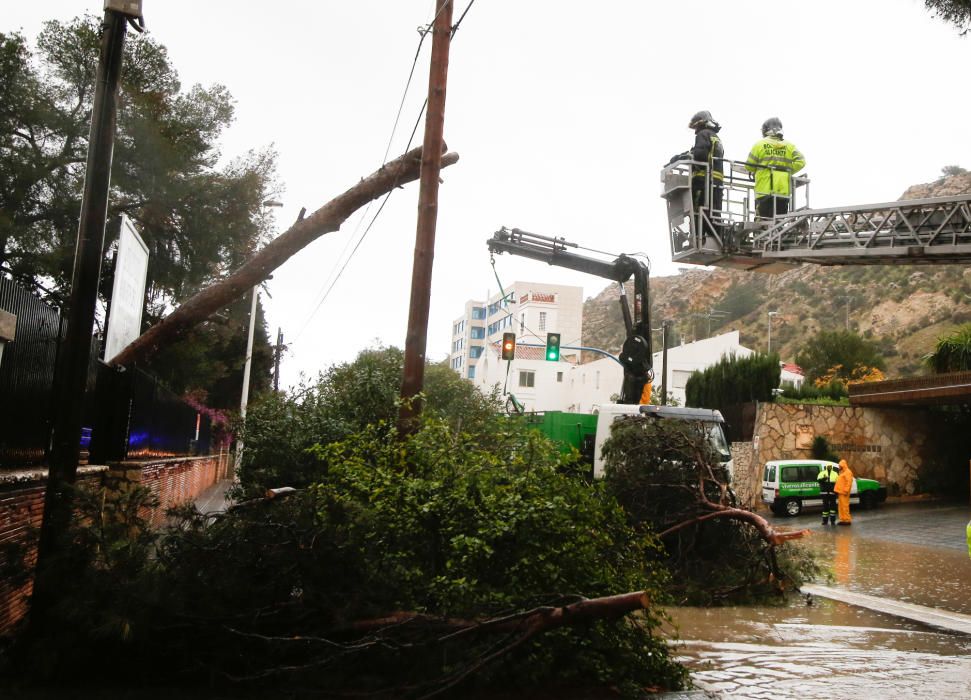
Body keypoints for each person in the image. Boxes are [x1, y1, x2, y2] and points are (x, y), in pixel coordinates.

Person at [745, 117, 806, 219]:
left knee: (763, 225)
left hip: (764, 192)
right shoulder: (789, 146)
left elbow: (749, 166)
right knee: (779, 225)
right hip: (783, 192)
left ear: (765, 130)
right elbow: (801, 161)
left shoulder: (759, 144)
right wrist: (788, 170)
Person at [683, 110, 725, 242]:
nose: (695, 130)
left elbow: (700, 155)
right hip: (716, 182)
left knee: (698, 210)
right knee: (713, 213)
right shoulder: (715, 137)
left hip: (703, 181)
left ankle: (698, 237)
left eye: (696, 126)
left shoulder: (702, 134)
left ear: (700, 123)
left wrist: (686, 156)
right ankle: (719, 237)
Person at [817, 461, 839, 526]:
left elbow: (837, 483)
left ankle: (833, 521)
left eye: (830, 466)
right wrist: (824, 478)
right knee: (825, 508)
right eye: (828, 466)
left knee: (833, 508)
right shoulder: (822, 473)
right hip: (824, 493)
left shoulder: (835, 473)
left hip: (832, 493)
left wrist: (836, 492)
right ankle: (825, 521)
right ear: (826, 467)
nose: (829, 467)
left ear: (831, 467)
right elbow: (819, 481)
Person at [834, 458, 854, 526]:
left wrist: (846, 490)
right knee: (841, 507)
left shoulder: (848, 472)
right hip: (840, 492)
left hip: (844, 492)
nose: (839, 467)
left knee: (845, 506)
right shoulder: (842, 472)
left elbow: (849, 482)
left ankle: (847, 520)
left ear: (843, 465)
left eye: (840, 466)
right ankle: (842, 519)